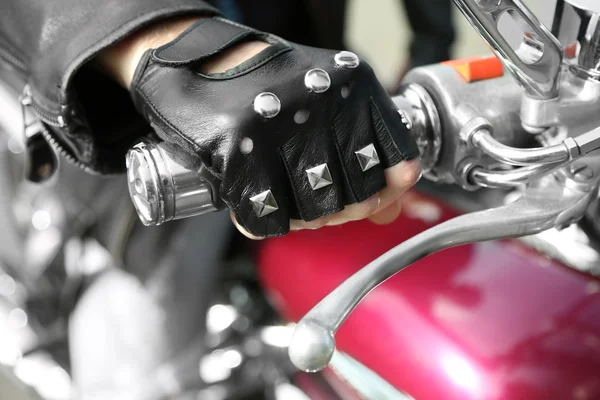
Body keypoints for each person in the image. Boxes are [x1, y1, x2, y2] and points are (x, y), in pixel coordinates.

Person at [0, 1, 420, 397]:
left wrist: (429, 49)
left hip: (299, 73)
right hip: (122, 110)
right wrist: (167, 48)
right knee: (141, 380)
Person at [0, 0, 421, 240]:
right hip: (120, 121)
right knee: (146, 365)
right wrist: (167, 48)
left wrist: (428, 55)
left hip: (311, 88)